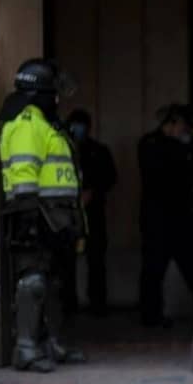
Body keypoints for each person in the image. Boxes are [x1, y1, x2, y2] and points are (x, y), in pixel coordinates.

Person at [0, 58, 87, 372]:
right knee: (32, 281)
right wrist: (27, 218)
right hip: (34, 215)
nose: (59, 99)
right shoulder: (26, 123)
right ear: (39, 92)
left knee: (52, 283)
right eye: (54, 92)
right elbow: (23, 173)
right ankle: (25, 348)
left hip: (55, 218)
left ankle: (49, 343)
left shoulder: (46, 123)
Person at [137, 103, 193, 327]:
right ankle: (151, 316)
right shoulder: (151, 144)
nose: (184, 132)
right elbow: (162, 172)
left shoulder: (183, 148)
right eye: (182, 126)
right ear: (172, 124)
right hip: (159, 217)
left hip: (181, 216)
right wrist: (184, 149)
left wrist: (191, 147)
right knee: (153, 269)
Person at [67, 109, 117, 316]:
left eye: (82, 125)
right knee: (66, 261)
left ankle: (97, 304)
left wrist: (94, 192)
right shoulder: (63, 148)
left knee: (96, 260)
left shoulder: (99, 151)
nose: (79, 129)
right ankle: (67, 304)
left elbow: (110, 177)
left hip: (94, 213)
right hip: (68, 214)